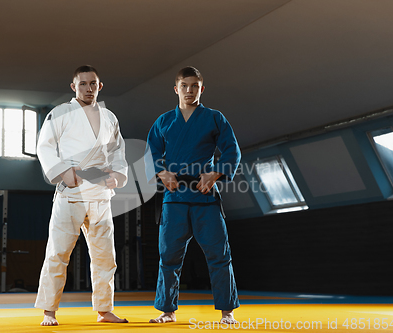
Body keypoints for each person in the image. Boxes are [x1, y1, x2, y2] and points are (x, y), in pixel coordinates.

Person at [144, 66, 241, 324]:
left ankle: (227, 311)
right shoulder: (164, 121)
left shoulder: (214, 118)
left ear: (202, 88)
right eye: (184, 86)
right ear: (176, 89)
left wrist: (216, 173)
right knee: (169, 256)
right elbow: (151, 153)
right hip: (174, 197)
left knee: (219, 254)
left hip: (205, 195)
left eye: (194, 86)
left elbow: (232, 150)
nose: (189, 91)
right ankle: (167, 311)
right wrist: (161, 172)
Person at [35, 65, 129, 326]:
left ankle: (104, 309)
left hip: (100, 191)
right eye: (83, 84)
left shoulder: (110, 117)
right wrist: (61, 172)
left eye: (93, 84)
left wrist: (119, 175)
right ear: (73, 86)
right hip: (71, 190)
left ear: (100, 86)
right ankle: (49, 311)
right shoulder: (60, 113)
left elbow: (118, 152)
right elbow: (45, 146)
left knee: (105, 256)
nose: (88, 88)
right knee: (58, 253)